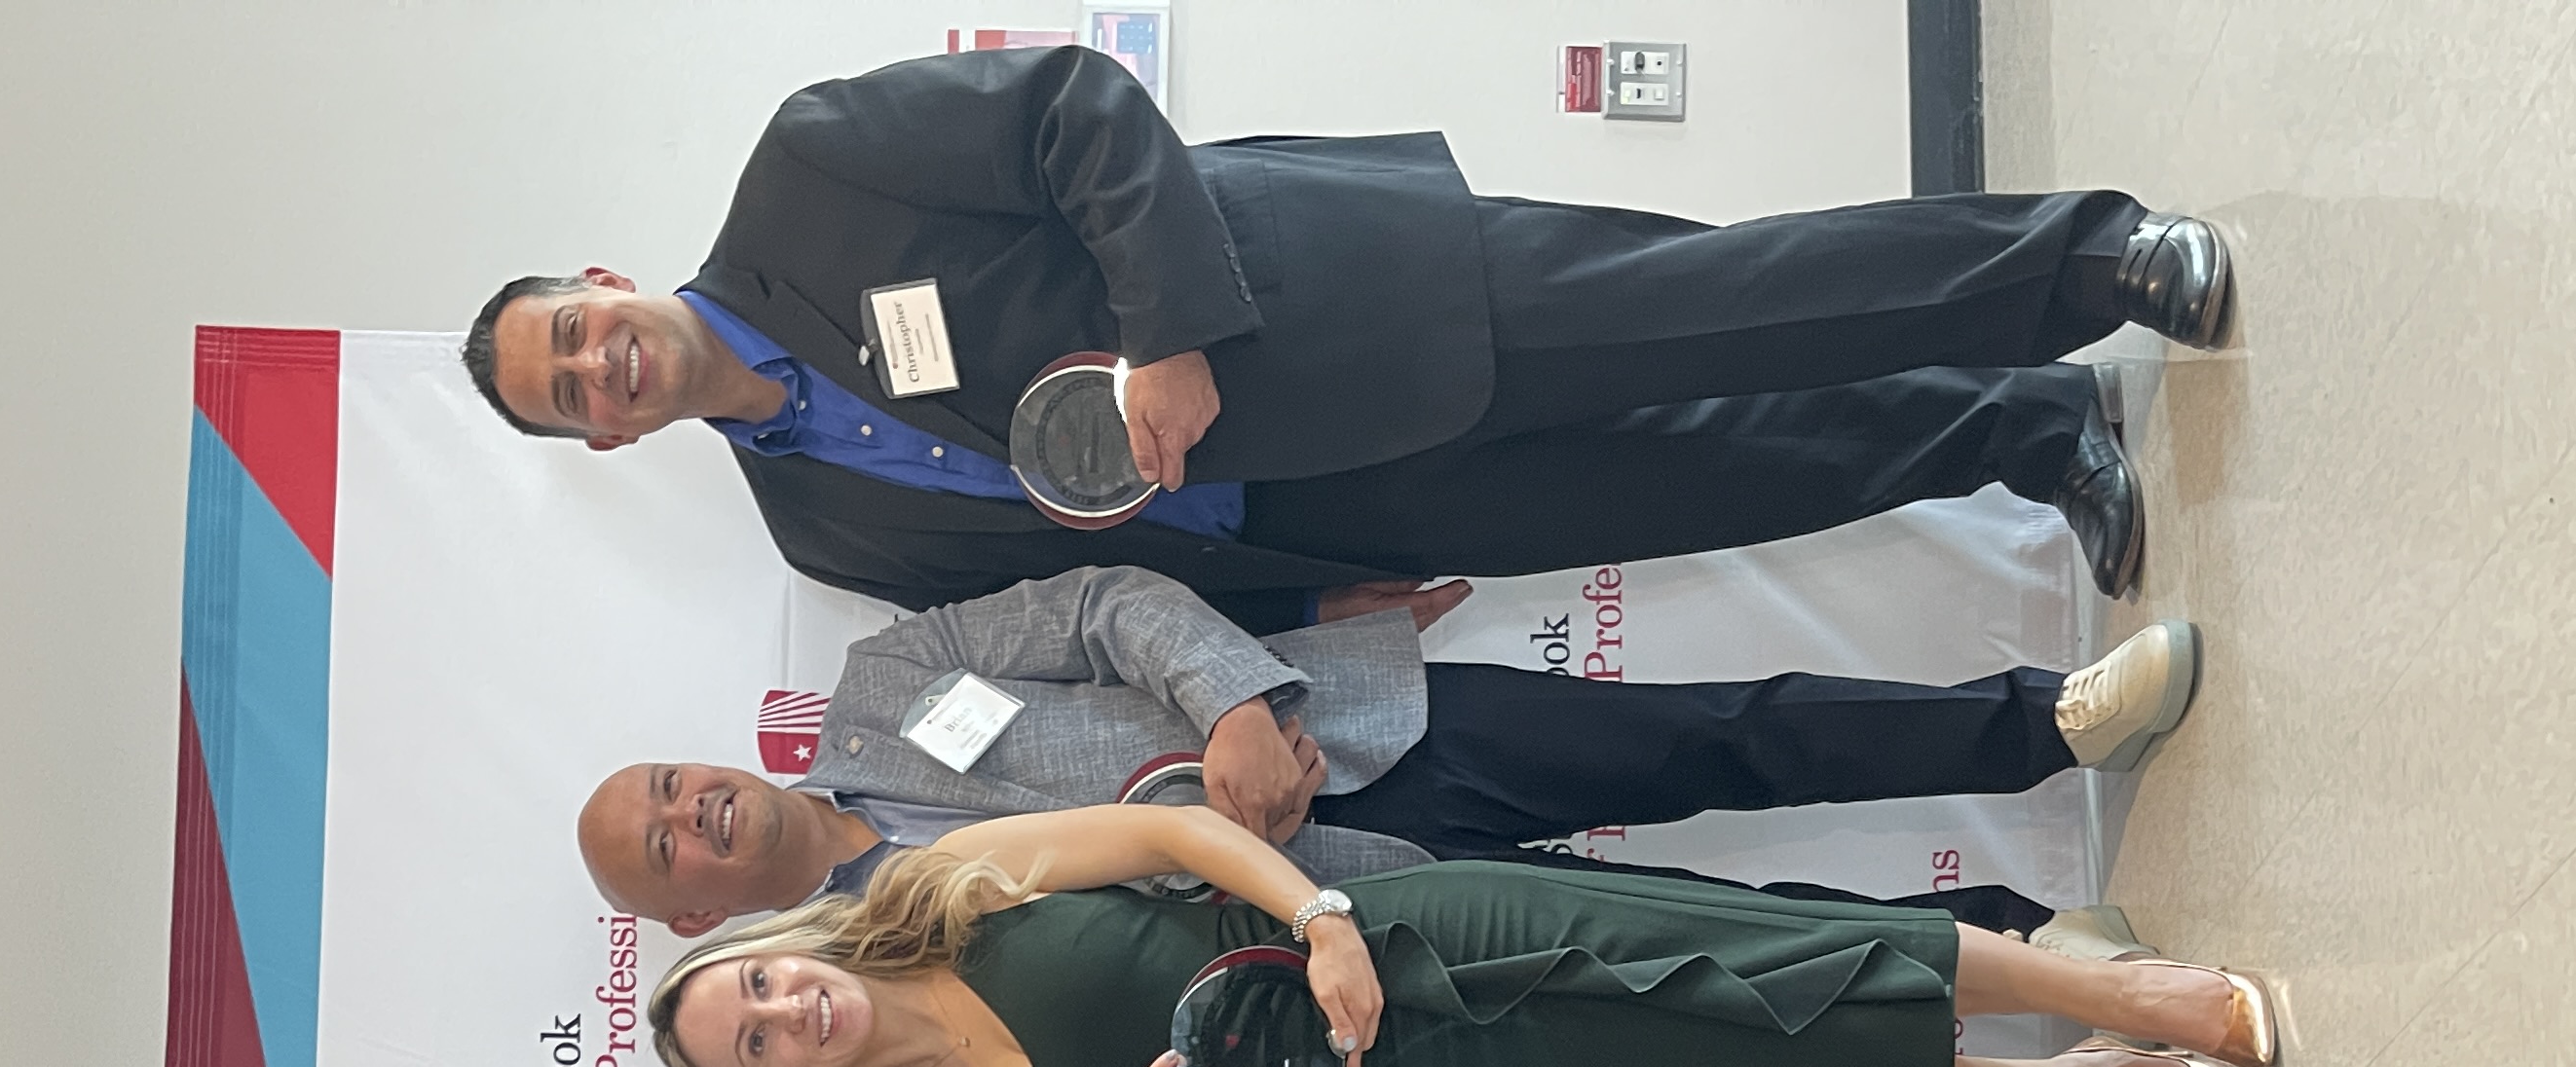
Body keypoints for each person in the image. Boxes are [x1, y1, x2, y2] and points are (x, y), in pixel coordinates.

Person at [462, 45, 2236, 612]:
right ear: (604, 443)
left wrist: (1164, 342)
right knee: (1724, 481)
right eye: (571, 396)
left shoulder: (812, 173)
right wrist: (1324, 597)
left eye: (576, 330)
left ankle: (2093, 261)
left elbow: (1079, 107)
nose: (598, 365)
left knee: (1732, 303)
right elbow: (1088, 592)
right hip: (1339, 514)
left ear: (608, 280)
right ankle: (2021, 427)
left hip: (1342, 311)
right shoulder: (813, 524)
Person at [646, 805, 2270, 1067]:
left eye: (764, 983)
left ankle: (2102, 982)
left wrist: (1322, 915)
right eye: (759, 1042)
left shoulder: (955, 884)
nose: (789, 1010)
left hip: (1404, 947)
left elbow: (1171, 840)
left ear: (788, 946)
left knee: (1751, 953)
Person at [579, 569, 2202, 938]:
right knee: (1724, 932)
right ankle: (2031, 944)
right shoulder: (864, 953)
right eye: (666, 844)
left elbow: (1102, 603)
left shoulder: (883, 682)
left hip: (1345, 729)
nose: (691, 811)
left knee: (1725, 732)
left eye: (667, 785)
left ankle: (2046, 722)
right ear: (690, 913)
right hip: (1342, 920)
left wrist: (1228, 708)